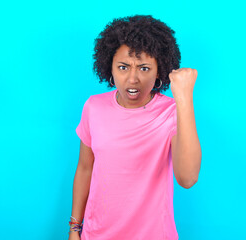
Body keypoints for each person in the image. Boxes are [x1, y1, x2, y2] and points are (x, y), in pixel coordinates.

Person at [68, 15, 202, 240]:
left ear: (159, 70)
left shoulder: (171, 112)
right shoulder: (94, 107)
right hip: (96, 234)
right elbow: (84, 169)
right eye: (123, 67)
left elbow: (187, 178)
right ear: (109, 66)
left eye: (144, 68)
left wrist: (184, 98)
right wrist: (74, 229)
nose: (133, 79)